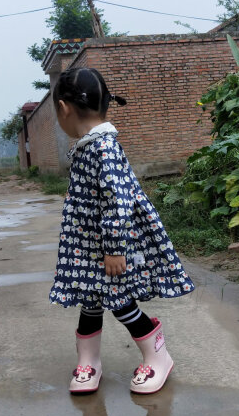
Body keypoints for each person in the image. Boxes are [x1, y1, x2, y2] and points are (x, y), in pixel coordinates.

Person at [49, 67, 196, 395]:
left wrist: (115, 247)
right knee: (90, 299)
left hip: (109, 246)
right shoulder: (89, 146)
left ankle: (158, 355)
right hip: (90, 246)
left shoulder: (104, 148)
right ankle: (89, 362)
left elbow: (118, 200)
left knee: (120, 301)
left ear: (63, 108)